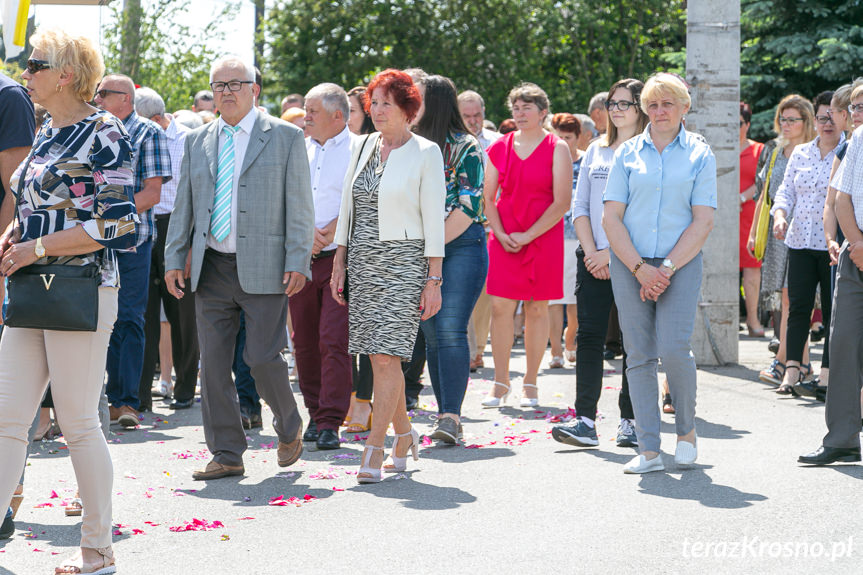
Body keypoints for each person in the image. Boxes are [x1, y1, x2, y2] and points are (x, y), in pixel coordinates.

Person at [0, 26, 138, 572]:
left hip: (80, 288)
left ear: (67, 75)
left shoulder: (102, 132)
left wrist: (36, 245)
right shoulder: (47, 133)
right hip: (34, 289)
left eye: (36, 65)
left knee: (79, 422)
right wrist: (15, 238)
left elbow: (116, 225)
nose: (25, 74)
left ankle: (97, 550)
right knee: (7, 418)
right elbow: (36, 204)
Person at [164, 55, 313, 480]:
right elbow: (184, 206)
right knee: (212, 365)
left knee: (263, 358)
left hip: (266, 267)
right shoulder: (198, 140)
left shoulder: (284, 137)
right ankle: (227, 452)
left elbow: (300, 205)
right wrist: (175, 257)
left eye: (235, 84)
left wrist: (298, 259)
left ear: (255, 90)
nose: (226, 92)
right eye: (218, 85)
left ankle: (288, 423)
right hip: (212, 267)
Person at [330, 69, 445, 482]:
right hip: (362, 260)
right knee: (379, 357)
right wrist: (340, 258)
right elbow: (348, 206)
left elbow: (434, 218)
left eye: (386, 104)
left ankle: (373, 448)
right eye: (373, 103)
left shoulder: (426, 152)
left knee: (386, 355)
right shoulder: (361, 147)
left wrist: (434, 279)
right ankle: (405, 436)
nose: (376, 111)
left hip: (404, 260)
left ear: (407, 109)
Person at [603, 72, 717, 474]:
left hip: (679, 265)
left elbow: (703, 221)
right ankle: (649, 449)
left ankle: (685, 432)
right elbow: (611, 217)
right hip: (630, 264)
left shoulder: (700, 153)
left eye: (668, 103)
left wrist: (663, 270)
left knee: (673, 349)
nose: (659, 110)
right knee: (638, 355)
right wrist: (639, 268)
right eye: (652, 104)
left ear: (684, 107)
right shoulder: (627, 153)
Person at [552, 78, 648, 450]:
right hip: (590, 257)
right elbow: (580, 206)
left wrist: (612, 253)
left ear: (640, 108)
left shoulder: (649, 151)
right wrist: (591, 251)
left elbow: (645, 215)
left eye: (625, 104)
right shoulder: (596, 150)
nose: (617, 110)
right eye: (613, 103)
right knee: (588, 337)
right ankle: (585, 421)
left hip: (632, 258)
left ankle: (630, 420)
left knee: (633, 342)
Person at [481, 83, 571, 408]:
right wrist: (502, 233)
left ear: (543, 112)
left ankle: (530, 383)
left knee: (536, 308)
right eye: (516, 108)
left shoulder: (557, 147)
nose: (519, 114)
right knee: (501, 307)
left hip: (543, 237)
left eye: (527, 108)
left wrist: (528, 235)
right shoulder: (499, 146)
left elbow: (562, 202)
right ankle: (500, 382)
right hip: (504, 235)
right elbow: (488, 198)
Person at [95, 74, 172, 429]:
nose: (96, 99)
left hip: (132, 242)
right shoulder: (93, 132)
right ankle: (101, 400)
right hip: (94, 242)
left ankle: (126, 401)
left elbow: (152, 193)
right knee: (99, 320)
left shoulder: (149, 133)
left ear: (124, 98)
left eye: (103, 94)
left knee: (128, 317)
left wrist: (111, 217)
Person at [414, 75, 487, 444]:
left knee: (450, 329)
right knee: (431, 334)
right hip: (416, 248)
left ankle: (450, 417)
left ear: (435, 102)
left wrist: (430, 245)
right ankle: (445, 414)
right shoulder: (407, 147)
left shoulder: (465, 146)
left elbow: (468, 206)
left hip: (460, 245)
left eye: (416, 97)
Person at [289, 83, 353, 451]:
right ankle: (314, 413)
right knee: (304, 342)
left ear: (337, 116)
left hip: (339, 259)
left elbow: (365, 199)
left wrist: (333, 229)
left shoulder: (361, 149)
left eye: (312, 111)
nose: (305, 116)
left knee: (333, 339)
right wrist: (303, 233)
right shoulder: (297, 148)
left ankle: (331, 420)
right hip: (301, 258)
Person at [770, 91, 846, 395]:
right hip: (800, 240)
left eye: (832, 117)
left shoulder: (848, 152)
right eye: (822, 117)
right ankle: (792, 370)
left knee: (832, 312)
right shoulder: (801, 153)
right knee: (798, 307)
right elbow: (786, 192)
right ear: (815, 120)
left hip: (833, 244)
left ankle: (827, 374)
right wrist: (779, 215)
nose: (827, 123)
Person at [798, 121, 863, 465]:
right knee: (842, 344)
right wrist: (857, 243)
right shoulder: (859, 139)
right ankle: (842, 439)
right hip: (857, 254)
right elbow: (841, 199)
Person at [132, 87, 200, 413]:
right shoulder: (132, 136)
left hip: (177, 226)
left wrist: (188, 244)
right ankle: (140, 394)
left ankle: (185, 387)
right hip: (144, 226)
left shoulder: (188, 140)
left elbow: (198, 195)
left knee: (182, 314)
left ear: (158, 119)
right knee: (142, 313)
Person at [747, 95, 815, 386]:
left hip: (803, 234)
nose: (786, 125)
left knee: (792, 298)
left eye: (793, 120)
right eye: (783, 119)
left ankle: (782, 361)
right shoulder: (774, 151)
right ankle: (805, 364)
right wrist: (753, 232)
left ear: (806, 122)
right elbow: (764, 195)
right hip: (777, 234)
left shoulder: (814, 151)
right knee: (790, 300)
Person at [457, 89, 500, 371]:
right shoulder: (452, 143)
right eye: (467, 116)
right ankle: (467, 349)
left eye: (477, 115)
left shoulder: (497, 143)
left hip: (491, 228)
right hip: (457, 228)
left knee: (484, 296)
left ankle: (478, 348)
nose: (473, 121)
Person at [547, 112, 583, 368]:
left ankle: (571, 340)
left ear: (578, 137)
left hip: (578, 237)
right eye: (558, 136)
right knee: (552, 297)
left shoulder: (586, 162)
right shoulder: (545, 160)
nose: (562, 141)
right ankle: (555, 350)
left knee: (575, 297)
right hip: (550, 235)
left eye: (567, 137)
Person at [739, 101, 765, 336]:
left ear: (747, 124)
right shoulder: (715, 148)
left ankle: (753, 319)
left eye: (738, 124)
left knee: (751, 271)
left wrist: (741, 197)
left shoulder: (758, 150)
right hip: (720, 218)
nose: (734, 128)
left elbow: (763, 184)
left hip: (748, 215)